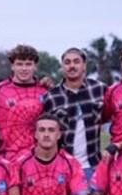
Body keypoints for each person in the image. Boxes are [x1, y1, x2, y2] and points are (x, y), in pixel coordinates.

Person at [15, 115, 102, 195]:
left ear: (59, 135)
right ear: (35, 134)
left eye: (51, 130)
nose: (46, 134)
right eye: (42, 130)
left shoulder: (71, 163)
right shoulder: (20, 162)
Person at [42, 47, 107, 181]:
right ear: (62, 66)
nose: (72, 66)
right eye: (67, 62)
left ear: (84, 66)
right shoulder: (51, 96)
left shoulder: (100, 89)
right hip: (61, 167)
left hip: (92, 165)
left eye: (76, 62)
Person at [0, 44, 47, 161]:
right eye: (19, 64)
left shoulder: (45, 90)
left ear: (35, 66)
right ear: (12, 66)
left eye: (28, 64)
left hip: (38, 157)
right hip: (6, 156)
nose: (24, 68)